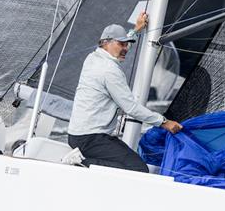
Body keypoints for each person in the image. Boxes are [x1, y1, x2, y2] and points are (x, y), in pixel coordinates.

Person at [67, 12, 182, 172]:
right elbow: (131, 108)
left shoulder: (93, 57)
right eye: (122, 44)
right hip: (91, 138)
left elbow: (118, 46)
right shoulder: (109, 71)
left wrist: (136, 30)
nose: (126, 48)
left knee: (129, 163)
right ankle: (81, 164)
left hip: (78, 136)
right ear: (106, 43)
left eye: (127, 44)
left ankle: (85, 162)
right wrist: (164, 122)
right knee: (138, 169)